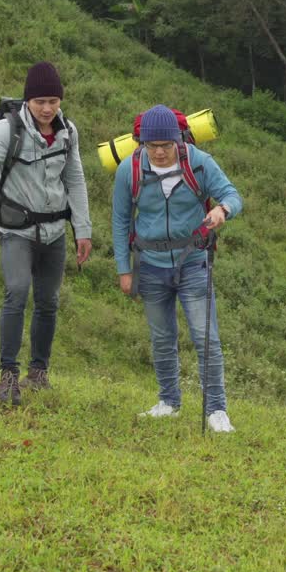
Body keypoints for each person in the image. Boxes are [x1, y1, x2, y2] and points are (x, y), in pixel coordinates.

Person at [0, 61, 92, 405]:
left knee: (48, 302)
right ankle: (8, 375)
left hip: (54, 233)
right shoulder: (9, 129)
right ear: (27, 101)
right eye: (39, 102)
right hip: (17, 231)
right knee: (17, 293)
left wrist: (83, 229)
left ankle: (38, 372)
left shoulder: (69, 131)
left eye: (53, 101)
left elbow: (75, 179)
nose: (47, 109)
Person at [111, 105, 243, 432]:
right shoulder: (129, 169)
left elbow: (232, 194)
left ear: (178, 141)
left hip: (193, 263)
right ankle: (168, 401)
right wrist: (123, 269)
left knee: (204, 336)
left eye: (165, 146)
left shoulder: (198, 162)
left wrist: (223, 210)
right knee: (161, 338)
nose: (158, 152)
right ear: (140, 143)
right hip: (150, 266)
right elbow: (120, 220)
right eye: (150, 146)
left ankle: (216, 409)